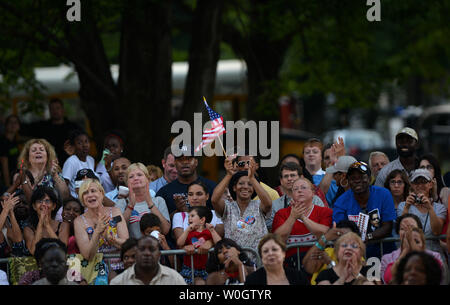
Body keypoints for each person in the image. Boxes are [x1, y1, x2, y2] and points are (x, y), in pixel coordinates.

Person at [211, 157, 272, 263]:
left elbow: (268, 203)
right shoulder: (228, 207)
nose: (245, 187)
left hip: (260, 261)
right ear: (234, 188)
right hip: (234, 261)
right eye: (241, 183)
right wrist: (229, 175)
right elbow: (214, 200)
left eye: (250, 185)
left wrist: (252, 178)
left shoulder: (258, 205)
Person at [333, 161, 397, 259]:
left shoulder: (383, 194)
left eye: (362, 177)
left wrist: (368, 237)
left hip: (385, 253)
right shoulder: (341, 202)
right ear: (348, 181)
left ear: (370, 179)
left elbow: (387, 226)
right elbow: (339, 230)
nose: (357, 181)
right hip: (355, 255)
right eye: (353, 178)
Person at [272, 177, 333, 268]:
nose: (299, 191)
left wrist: (303, 217)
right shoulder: (281, 214)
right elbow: (278, 239)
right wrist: (292, 217)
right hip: (291, 266)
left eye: (303, 188)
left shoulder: (325, 212)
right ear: (292, 195)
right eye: (295, 189)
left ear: (313, 193)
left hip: (319, 265)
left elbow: (323, 234)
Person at [73, 178, 129, 272]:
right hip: (95, 271)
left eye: (93, 191)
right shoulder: (79, 221)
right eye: (85, 193)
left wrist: (112, 239)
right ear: (82, 199)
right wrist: (97, 231)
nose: (90, 195)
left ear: (102, 194)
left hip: (120, 268)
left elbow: (127, 245)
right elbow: (87, 255)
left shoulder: (115, 212)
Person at [380, 214, 444, 284]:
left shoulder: (435, 256)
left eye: (412, 228)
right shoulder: (387, 258)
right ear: (398, 233)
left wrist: (412, 244)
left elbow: (435, 276)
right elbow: (388, 279)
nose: (408, 233)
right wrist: (405, 251)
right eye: (402, 229)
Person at [156, 144, 217, 216]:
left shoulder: (212, 187)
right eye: (180, 159)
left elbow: (220, 217)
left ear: (196, 162)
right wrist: (178, 211)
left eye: (188, 159)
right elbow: (161, 223)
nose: (185, 162)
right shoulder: (164, 193)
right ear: (175, 163)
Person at [397, 168, 447, 253]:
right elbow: (401, 230)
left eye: (424, 181)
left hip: (433, 255)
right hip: (410, 254)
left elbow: (436, 231)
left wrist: (430, 208)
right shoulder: (403, 206)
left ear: (430, 184)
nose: (420, 185)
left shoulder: (439, 208)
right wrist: (407, 207)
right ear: (411, 185)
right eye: (416, 182)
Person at [116, 163, 170, 239]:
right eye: (131, 176)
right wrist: (130, 206)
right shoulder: (121, 202)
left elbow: (165, 230)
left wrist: (150, 204)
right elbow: (116, 230)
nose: (135, 178)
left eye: (139, 175)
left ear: (148, 179)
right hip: (132, 249)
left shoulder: (159, 200)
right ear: (127, 183)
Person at [267, 162, 327, 232]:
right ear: (281, 181)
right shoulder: (275, 205)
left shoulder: (315, 200)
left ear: (301, 177)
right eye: (286, 176)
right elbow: (271, 228)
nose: (289, 178)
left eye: (292, 175)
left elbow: (324, 223)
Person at [24, 98, 82, 165]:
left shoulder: (73, 127)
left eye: (57, 108)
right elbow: (26, 130)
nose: (55, 111)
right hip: (48, 165)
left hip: (70, 164)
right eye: (52, 109)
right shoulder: (43, 127)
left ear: (63, 110)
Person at [302, 220, 361, 285]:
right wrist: (325, 238)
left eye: (349, 237)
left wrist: (329, 263)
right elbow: (309, 268)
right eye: (341, 236)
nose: (345, 241)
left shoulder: (358, 258)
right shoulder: (328, 252)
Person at [109, 235, 186, 285]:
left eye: (152, 249)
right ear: (136, 253)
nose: (147, 253)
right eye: (142, 249)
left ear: (159, 254)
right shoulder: (118, 282)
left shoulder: (174, 279)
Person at [12, 138, 69, 203]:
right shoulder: (21, 175)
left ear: (48, 155)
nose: (38, 152)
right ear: (27, 157)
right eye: (33, 150)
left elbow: (65, 197)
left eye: (42, 150)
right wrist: (39, 178)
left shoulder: (55, 174)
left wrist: (55, 176)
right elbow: (29, 199)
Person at [177, 206, 222, 284]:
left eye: (192, 216)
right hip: (189, 268)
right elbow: (179, 243)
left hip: (205, 269)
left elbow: (219, 243)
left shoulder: (208, 232)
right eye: (188, 216)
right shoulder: (188, 233)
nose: (189, 218)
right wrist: (187, 230)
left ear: (202, 220)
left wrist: (212, 230)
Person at [245, 233, 309, 285]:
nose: (270, 253)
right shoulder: (252, 281)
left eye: (274, 249)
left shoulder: (298, 277)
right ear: (261, 257)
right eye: (265, 251)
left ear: (283, 253)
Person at [23, 186, 70, 255]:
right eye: (39, 201)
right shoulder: (28, 229)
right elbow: (33, 251)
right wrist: (40, 224)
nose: (43, 204)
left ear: (54, 206)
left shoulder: (63, 225)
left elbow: (62, 250)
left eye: (47, 201)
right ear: (34, 206)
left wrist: (47, 226)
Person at [62, 129, 96, 198]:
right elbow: (64, 185)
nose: (84, 145)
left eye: (86, 141)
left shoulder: (91, 159)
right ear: (73, 146)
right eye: (80, 143)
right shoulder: (71, 161)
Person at [0, 114, 27, 189]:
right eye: (10, 122)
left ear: (19, 126)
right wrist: (8, 185)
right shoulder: (3, 141)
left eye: (15, 122)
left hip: (15, 179)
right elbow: (4, 164)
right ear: (6, 125)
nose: (13, 125)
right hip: (5, 181)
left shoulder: (15, 141)